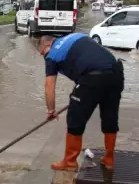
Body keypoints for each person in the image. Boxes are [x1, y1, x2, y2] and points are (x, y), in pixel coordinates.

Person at [35, 33, 124, 171]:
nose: (44, 57)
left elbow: (49, 86)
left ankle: (70, 162)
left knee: (75, 118)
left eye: (43, 53)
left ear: (48, 44)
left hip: (92, 77)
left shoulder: (52, 54)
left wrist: (51, 110)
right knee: (110, 117)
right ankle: (109, 159)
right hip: (115, 73)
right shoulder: (76, 36)